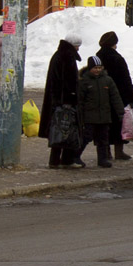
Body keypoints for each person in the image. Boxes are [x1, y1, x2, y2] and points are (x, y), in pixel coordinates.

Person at [40, 33, 83, 168]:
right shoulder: (67, 57)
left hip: (57, 100)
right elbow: (68, 81)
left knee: (59, 129)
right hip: (65, 101)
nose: (78, 48)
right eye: (77, 46)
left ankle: (56, 160)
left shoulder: (59, 55)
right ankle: (65, 160)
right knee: (66, 129)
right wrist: (70, 98)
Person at [77, 56, 125, 168]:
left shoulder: (107, 80)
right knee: (86, 137)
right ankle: (76, 156)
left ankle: (102, 159)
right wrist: (80, 115)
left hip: (104, 116)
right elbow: (80, 100)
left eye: (100, 67)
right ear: (90, 68)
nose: (97, 70)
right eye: (95, 68)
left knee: (103, 139)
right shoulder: (84, 81)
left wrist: (120, 111)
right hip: (89, 116)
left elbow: (115, 97)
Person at [95, 31, 133, 160]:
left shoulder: (97, 58)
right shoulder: (117, 58)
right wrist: (131, 96)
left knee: (103, 125)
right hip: (118, 97)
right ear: (114, 44)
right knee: (118, 124)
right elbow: (125, 79)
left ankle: (106, 152)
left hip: (100, 96)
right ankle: (119, 151)